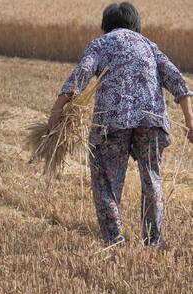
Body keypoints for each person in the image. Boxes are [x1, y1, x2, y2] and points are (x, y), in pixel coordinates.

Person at [47, 2, 193, 247]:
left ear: (106, 25)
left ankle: (116, 240)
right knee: (152, 180)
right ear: (135, 24)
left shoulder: (100, 44)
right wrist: (190, 120)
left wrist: (56, 111)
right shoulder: (148, 45)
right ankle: (152, 241)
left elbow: (81, 75)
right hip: (152, 120)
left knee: (106, 182)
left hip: (112, 123)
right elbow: (178, 81)